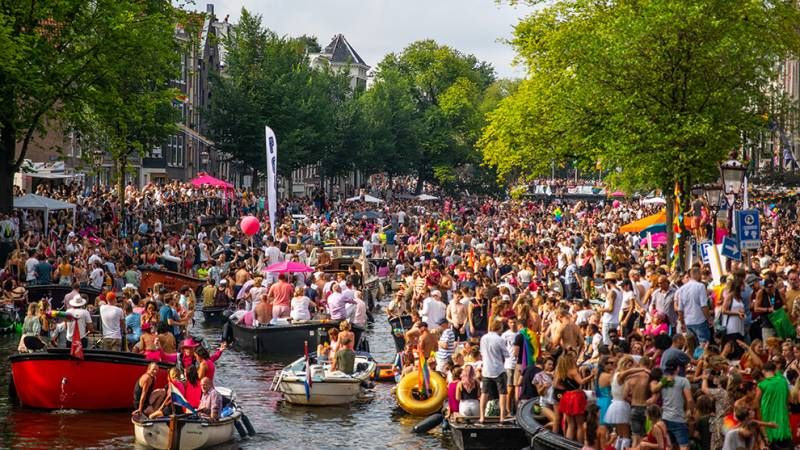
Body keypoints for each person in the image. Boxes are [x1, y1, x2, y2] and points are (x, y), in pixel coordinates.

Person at [652, 361, 693, 450]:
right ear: (677, 369)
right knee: (684, 446)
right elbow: (689, 400)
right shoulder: (683, 381)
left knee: (668, 446)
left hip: (665, 418)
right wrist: (689, 411)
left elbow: (654, 391)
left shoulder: (663, 381)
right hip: (679, 419)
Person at [479, 319, 510, 423]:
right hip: (498, 369)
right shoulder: (499, 339)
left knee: (484, 393)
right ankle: (502, 417)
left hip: (486, 369)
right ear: (499, 328)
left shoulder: (483, 338)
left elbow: (482, 352)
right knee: (502, 393)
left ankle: (482, 417)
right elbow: (506, 354)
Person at [756, 361, 792, 448]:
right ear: (774, 370)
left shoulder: (761, 385)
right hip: (783, 424)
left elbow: (755, 403)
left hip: (767, 423)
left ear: (763, 371)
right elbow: (789, 399)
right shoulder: (783, 381)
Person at [676, 267, 711, 344]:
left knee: (692, 345)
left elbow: (680, 309)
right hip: (700, 321)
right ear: (697, 274)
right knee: (704, 345)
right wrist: (709, 319)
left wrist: (682, 323)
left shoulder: (682, 289)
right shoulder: (700, 286)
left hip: (688, 322)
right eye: (700, 274)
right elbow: (704, 306)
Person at [600, 272, 622, 345]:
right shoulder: (619, 291)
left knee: (607, 343)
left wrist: (600, 310)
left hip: (609, 321)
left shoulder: (612, 292)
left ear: (608, 281)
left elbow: (610, 309)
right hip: (615, 320)